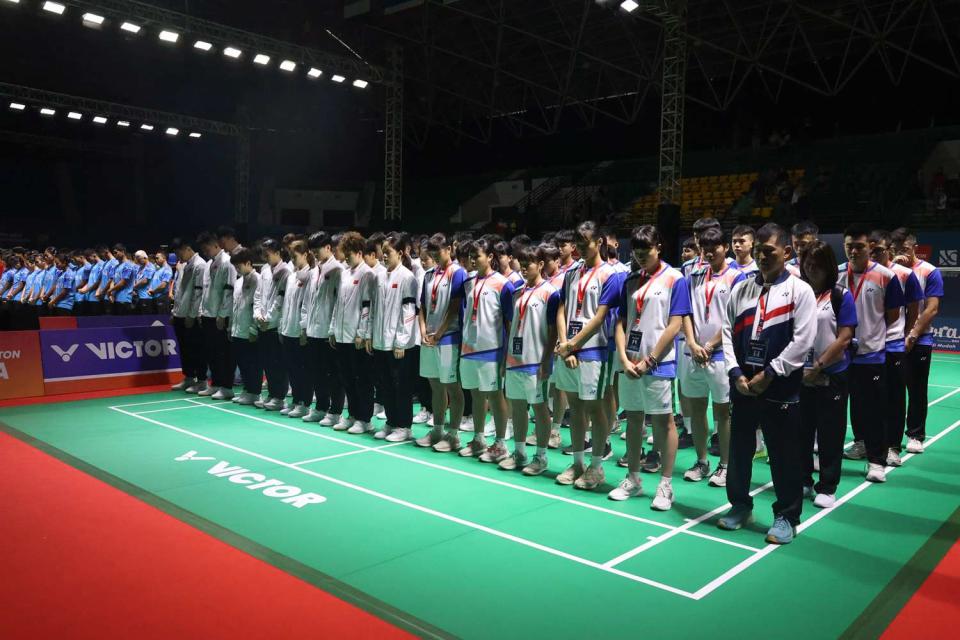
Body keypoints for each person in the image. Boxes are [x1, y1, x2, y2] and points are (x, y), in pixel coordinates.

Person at [717, 222, 816, 545]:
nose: (761, 256)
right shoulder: (741, 288)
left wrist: (770, 373)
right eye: (758, 251)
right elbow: (726, 334)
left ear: (787, 252)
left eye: (768, 251)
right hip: (744, 384)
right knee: (740, 450)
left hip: (780, 386)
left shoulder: (800, 290)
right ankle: (740, 505)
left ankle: (787, 515)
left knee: (784, 453)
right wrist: (736, 374)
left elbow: (803, 341)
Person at [609, 225, 688, 510]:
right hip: (630, 362)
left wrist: (650, 360)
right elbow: (620, 321)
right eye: (637, 253)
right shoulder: (630, 280)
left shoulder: (674, 279)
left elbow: (675, 324)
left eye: (647, 252)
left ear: (659, 248)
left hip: (658, 364)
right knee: (633, 419)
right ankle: (633, 477)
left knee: (663, 422)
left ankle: (665, 486)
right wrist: (624, 357)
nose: (641, 258)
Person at [554, 220, 621, 490]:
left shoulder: (611, 275)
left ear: (600, 243)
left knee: (594, 407)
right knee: (575, 408)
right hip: (569, 347)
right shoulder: (571, 273)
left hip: (595, 350)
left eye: (585, 243)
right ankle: (579, 463)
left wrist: (573, 345)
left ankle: (596, 466)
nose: (580, 248)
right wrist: (564, 343)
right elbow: (561, 308)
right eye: (577, 244)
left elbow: (600, 316)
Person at [839, 224, 905, 482]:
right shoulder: (836, 275)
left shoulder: (886, 276)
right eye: (849, 246)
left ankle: (877, 461)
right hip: (841, 356)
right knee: (844, 408)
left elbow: (892, 315)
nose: (854, 251)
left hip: (871, 355)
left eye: (859, 247)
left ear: (870, 248)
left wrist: (870, 336)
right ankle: (857, 444)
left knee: (874, 410)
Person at [680, 227, 745, 486]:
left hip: (719, 355)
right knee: (696, 412)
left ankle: (725, 465)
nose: (709, 252)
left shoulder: (737, 278)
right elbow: (684, 312)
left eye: (714, 247)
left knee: (722, 414)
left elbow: (734, 317)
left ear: (725, 247)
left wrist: (708, 346)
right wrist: (693, 343)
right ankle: (702, 461)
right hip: (693, 354)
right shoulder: (693, 275)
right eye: (705, 248)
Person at [798, 240, 857, 509]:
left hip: (831, 375)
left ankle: (827, 485)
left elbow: (844, 338)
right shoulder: (799, 293)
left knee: (830, 433)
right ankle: (803, 480)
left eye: (818, 264)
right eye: (808, 263)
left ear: (829, 267)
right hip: (801, 376)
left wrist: (818, 366)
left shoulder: (840, 295)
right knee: (801, 431)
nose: (812, 269)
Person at [500, 245, 561, 474]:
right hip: (515, 359)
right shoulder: (517, 291)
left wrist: (547, 360)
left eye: (530, 264)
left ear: (541, 265)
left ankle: (541, 457)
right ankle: (520, 453)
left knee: (539, 408)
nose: (525, 268)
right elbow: (510, 326)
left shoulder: (550, 293)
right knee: (517, 407)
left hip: (536, 361)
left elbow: (553, 330)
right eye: (522, 264)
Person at [456, 238, 516, 460]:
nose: (473, 260)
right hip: (469, 348)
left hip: (492, 350)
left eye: (477, 256)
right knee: (476, 396)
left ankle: (500, 444)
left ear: (490, 257)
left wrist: (507, 355)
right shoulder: (469, 282)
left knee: (495, 395)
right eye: (471, 256)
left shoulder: (503, 284)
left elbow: (510, 322)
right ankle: (479, 439)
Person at [869, 230, 922, 466]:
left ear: (889, 249)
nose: (873, 254)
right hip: (868, 348)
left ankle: (892, 447)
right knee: (867, 400)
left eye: (878, 250)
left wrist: (906, 335)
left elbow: (913, 310)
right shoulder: (863, 274)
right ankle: (865, 442)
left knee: (895, 398)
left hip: (892, 345)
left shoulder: (904, 274)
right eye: (870, 250)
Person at [361, 235, 419, 442]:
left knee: (400, 386)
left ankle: (404, 426)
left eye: (389, 253)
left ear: (401, 254)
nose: (384, 256)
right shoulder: (378, 277)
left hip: (398, 344)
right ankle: (391, 422)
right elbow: (372, 308)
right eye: (383, 253)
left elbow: (409, 310)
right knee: (384, 385)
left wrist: (401, 341)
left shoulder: (407, 277)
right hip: (379, 341)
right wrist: (368, 335)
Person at [891, 227, 944, 453]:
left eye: (904, 249)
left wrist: (912, 335)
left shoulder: (930, 272)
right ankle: (886, 438)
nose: (901, 254)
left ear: (914, 248)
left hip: (919, 339)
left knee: (917, 389)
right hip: (892, 340)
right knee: (891, 391)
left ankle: (915, 435)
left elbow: (931, 309)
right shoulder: (888, 271)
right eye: (896, 250)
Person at [415, 233, 469, 451]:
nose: (435, 255)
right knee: (435, 387)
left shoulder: (458, 273)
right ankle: (437, 430)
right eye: (432, 252)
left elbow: (455, 307)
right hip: (429, 338)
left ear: (449, 249)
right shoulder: (428, 275)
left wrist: (439, 333)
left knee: (452, 387)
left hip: (448, 338)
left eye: (438, 251)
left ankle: (453, 435)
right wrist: (423, 330)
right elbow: (423, 307)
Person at [329, 232, 376, 432]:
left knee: (362, 380)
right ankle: (353, 414)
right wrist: (332, 329)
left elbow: (367, 306)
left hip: (356, 337)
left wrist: (362, 333)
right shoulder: (344, 273)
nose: (345, 257)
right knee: (346, 378)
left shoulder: (367, 274)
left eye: (349, 254)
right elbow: (338, 304)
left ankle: (364, 419)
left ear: (359, 252)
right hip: (341, 335)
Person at [301, 231, 346, 426]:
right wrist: (304, 326)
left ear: (328, 248)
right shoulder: (313, 271)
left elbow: (338, 303)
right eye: (311, 251)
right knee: (316, 372)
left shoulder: (338, 270)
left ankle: (335, 411)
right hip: (313, 330)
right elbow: (307, 301)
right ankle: (320, 407)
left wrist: (333, 329)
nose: (314, 255)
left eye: (316, 250)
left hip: (328, 332)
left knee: (333, 374)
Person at [197, 232, 236, 400]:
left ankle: (226, 387)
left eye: (207, 249)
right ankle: (216, 384)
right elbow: (205, 290)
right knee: (211, 353)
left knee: (223, 354)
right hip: (208, 314)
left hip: (220, 316)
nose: (205, 252)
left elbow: (229, 292)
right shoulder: (208, 264)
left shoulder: (228, 263)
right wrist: (201, 311)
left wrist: (222, 314)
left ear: (215, 245)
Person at [278, 240, 314, 418]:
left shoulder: (310, 276)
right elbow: (286, 304)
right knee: (291, 369)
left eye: (295, 256)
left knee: (303, 370)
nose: (292, 260)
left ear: (306, 255)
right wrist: (282, 327)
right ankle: (296, 400)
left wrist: (303, 329)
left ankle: (305, 403)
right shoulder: (291, 276)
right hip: (287, 329)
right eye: (291, 257)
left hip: (300, 332)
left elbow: (306, 305)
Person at [254, 239, 291, 411]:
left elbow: (280, 300)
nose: (265, 257)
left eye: (267, 254)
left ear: (277, 252)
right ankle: (271, 394)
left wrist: (268, 318)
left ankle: (280, 397)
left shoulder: (286, 272)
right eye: (263, 254)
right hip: (262, 324)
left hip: (275, 325)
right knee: (267, 362)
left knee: (278, 363)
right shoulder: (264, 270)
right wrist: (258, 315)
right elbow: (259, 294)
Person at [170, 237, 208, 393]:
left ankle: (202, 381)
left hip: (190, 317)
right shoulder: (185, 266)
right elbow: (180, 292)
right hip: (180, 314)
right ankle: (188, 378)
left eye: (179, 252)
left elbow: (198, 294)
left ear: (187, 248)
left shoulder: (200, 265)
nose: (178, 256)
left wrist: (192, 315)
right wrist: (175, 312)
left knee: (196, 350)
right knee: (185, 349)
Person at [229, 248, 262, 405]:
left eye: (239, 266)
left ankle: (255, 392)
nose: (237, 269)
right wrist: (231, 327)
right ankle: (247, 390)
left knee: (252, 364)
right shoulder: (238, 281)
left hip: (249, 330)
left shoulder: (258, 280)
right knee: (242, 363)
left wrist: (253, 329)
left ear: (248, 263)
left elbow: (257, 306)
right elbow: (235, 307)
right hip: (237, 329)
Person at [107, 245, 138, 316]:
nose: (114, 255)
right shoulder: (116, 266)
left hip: (125, 299)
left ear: (123, 252)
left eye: (116, 252)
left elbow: (122, 283)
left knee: (124, 323)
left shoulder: (128, 265)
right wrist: (111, 293)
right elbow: (113, 280)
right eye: (113, 253)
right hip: (115, 298)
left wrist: (110, 290)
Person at [77, 248, 103, 316]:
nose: (89, 260)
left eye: (89, 258)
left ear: (94, 255)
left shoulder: (102, 265)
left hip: (96, 297)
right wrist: (84, 289)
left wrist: (86, 290)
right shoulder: (93, 266)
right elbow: (89, 281)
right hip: (89, 297)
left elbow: (98, 282)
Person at [148, 251, 174, 316]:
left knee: (163, 320)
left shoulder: (167, 269)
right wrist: (150, 289)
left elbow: (163, 285)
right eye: (155, 258)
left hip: (162, 298)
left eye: (157, 258)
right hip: (155, 297)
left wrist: (153, 291)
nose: (156, 260)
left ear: (164, 258)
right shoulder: (158, 270)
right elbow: (153, 282)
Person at [96, 246, 118, 315]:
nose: (101, 256)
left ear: (106, 252)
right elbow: (102, 279)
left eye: (101, 254)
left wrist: (103, 291)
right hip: (103, 295)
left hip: (109, 295)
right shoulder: (105, 263)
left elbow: (111, 279)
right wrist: (99, 291)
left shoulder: (114, 262)